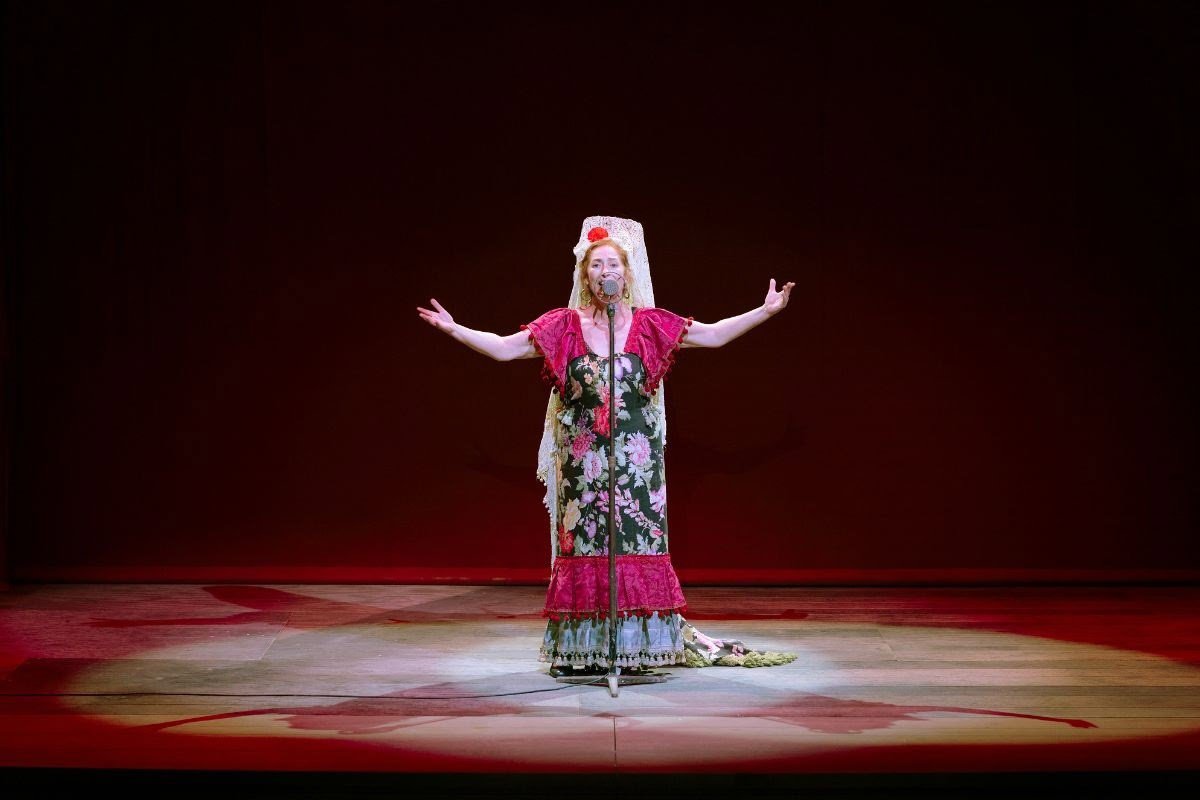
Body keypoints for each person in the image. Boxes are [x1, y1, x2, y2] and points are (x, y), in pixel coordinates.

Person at [417, 216, 797, 675]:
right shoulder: (563, 325)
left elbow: (713, 335)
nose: (605, 272)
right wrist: (455, 329)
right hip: (584, 470)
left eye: (613, 264)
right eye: (596, 265)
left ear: (627, 273)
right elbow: (504, 348)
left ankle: (636, 649)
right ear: (585, 275)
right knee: (586, 550)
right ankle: (584, 651)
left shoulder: (650, 325)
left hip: (637, 471)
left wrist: (765, 311)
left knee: (635, 548)